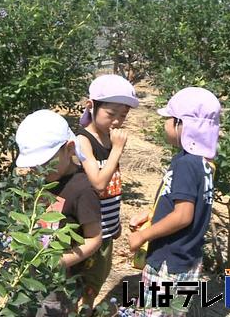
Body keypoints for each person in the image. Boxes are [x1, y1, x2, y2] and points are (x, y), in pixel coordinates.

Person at [128, 87, 220, 317]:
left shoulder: (186, 164)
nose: (165, 124)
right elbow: (176, 200)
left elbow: (182, 215)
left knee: (156, 313)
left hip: (169, 261)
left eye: (168, 119)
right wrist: (150, 215)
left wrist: (142, 236)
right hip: (187, 259)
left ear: (182, 125)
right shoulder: (203, 163)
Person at [15, 109, 102, 316]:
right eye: (35, 165)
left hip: (59, 284)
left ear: (69, 148)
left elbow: (94, 238)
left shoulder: (83, 190)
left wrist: (60, 261)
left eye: (45, 163)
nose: (39, 170)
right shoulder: (45, 180)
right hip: (32, 271)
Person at [75, 74, 139, 309]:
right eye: (110, 114)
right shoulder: (83, 141)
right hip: (87, 231)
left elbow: (113, 188)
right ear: (91, 106)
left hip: (107, 228)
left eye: (122, 116)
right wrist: (117, 151)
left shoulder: (109, 139)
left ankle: (87, 309)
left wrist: (115, 224)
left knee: (96, 280)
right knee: (78, 282)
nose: (116, 122)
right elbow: (99, 183)